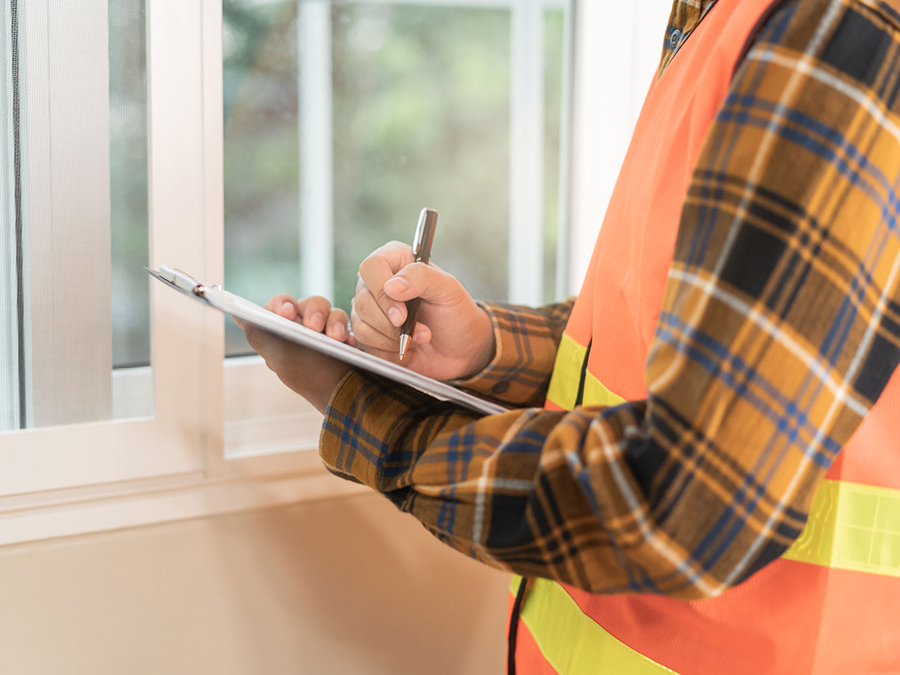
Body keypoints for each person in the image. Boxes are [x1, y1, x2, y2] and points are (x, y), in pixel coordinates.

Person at [237, 0, 900, 672]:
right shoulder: (727, 17)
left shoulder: (837, 27)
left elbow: (687, 501)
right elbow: (684, 328)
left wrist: (367, 413)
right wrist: (486, 345)